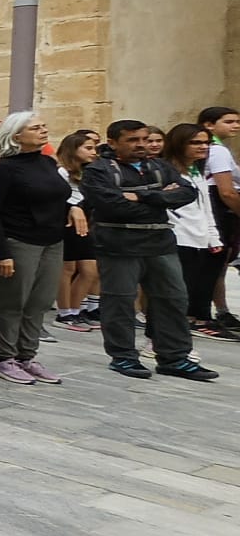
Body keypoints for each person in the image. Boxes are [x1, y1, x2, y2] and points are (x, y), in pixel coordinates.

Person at [82, 120, 214, 381]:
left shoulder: (159, 166)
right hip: (119, 245)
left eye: (144, 139)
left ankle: (174, 357)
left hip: (160, 243)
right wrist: (161, 198)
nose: (141, 145)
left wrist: (142, 196)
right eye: (133, 140)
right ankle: (123, 356)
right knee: (120, 301)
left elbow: (186, 193)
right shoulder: (98, 171)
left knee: (173, 299)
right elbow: (113, 206)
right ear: (113, 142)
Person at [0, 112, 72, 384]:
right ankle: (4, 358)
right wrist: (2, 253)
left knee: (40, 301)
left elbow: (60, 195)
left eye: (44, 126)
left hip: (51, 241)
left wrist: (74, 209)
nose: (43, 130)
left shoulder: (47, 162)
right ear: (16, 136)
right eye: (35, 128)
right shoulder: (3, 169)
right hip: (18, 241)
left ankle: (26, 356)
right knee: (12, 301)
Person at [160, 123, 226, 338]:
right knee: (177, 288)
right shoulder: (165, 171)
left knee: (195, 283)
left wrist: (213, 236)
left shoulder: (196, 171)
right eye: (195, 142)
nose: (203, 147)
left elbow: (205, 206)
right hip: (177, 236)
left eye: (206, 142)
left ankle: (188, 323)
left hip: (198, 237)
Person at [196, 106, 240, 330]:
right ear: (209, 125)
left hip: (214, 207)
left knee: (217, 264)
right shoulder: (217, 150)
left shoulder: (218, 148)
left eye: (237, 121)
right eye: (229, 121)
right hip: (220, 209)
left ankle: (219, 311)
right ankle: (204, 314)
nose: (236, 126)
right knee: (214, 263)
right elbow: (227, 191)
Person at [54, 130, 101, 329]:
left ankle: (76, 309)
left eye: (94, 148)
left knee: (90, 270)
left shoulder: (89, 172)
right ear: (73, 149)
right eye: (88, 148)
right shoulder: (61, 172)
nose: (94, 152)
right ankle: (65, 313)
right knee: (68, 269)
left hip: (85, 221)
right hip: (66, 220)